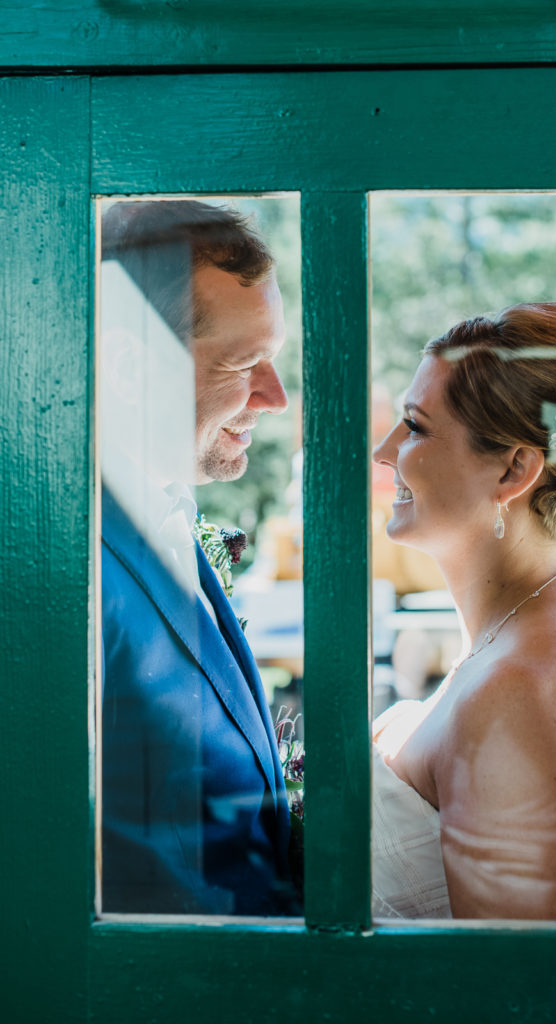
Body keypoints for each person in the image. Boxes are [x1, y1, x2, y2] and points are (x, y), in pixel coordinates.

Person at [99, 200, 296, 915]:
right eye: (248, 363)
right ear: (130, 365)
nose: (275, 398)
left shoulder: (170, 512)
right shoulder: (63, 565)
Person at [371, 302, 556, 921]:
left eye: (414, 427)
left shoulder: (521, 684)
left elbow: (516, 986)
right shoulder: (516, 639)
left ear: (514, 469)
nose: (385, 452)